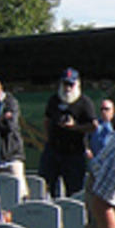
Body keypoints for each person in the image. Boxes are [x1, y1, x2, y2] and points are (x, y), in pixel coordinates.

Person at [39, 67, 96, 197]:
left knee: (74, 190)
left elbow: (93, 126)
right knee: (46, 186)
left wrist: (75, 127)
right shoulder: (54, 100)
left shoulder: (84, 103)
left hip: (74, 152)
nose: (67, 88)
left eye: (71, 84)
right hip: (53, 150)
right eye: (65, 84)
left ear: (77, 84)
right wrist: (48, 139)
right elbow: (47, 120)